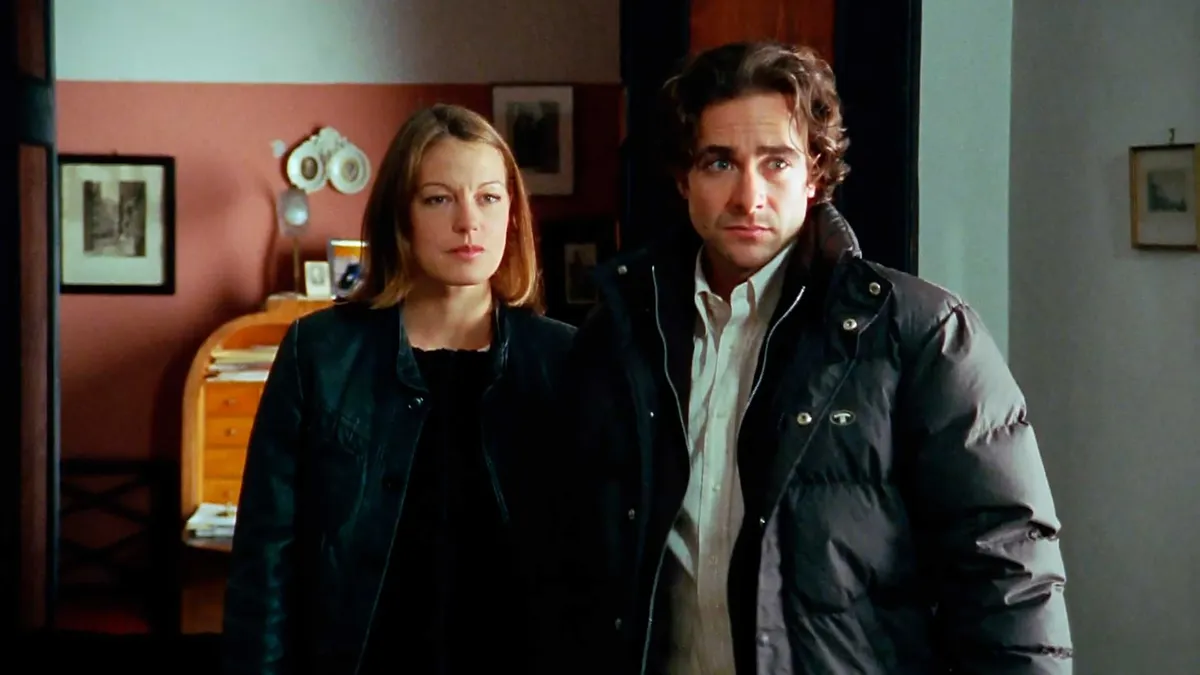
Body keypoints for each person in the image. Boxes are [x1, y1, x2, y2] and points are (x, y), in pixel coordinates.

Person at [546, 41, 1074, 674]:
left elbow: (1007, 570)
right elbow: (570, 558)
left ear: (816, 175)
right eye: (720, 162)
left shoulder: (919, 333)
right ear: (684, 177)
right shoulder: (621, 332)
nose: (748, 196)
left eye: (777, 162)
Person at [222, 103, 575, 675]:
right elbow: (265, 560)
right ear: (400, 217)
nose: (468, 222)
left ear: (513, 215)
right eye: (438, 199)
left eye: (489, 197)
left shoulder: (565, 360)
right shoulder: (321, 353)